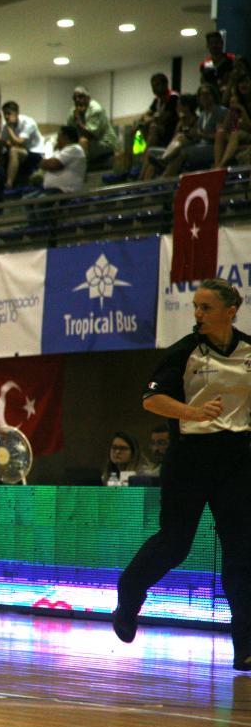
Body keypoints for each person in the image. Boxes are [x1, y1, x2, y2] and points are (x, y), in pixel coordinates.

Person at [113, 279, 251, 672]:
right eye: (195, 307)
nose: (198, 315)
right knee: (175, 544)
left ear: (230, 310)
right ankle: (129, 596)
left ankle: (245, 646)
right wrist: (192, 412)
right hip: (191, 457)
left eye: (206, 308)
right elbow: (151, 398)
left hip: (237, 459)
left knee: (242, 553)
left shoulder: (248, 351)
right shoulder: (184, 352)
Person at [68, 86, 118, 167]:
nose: (77, 100)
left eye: (80, 96)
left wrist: (78, 120)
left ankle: (82, 169)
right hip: (91, 143)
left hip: (105, 143)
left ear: (88, 98)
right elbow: (68, 132)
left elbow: (90, 135)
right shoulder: (73, 111)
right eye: (74, 98)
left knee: (83, 141)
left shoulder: (95, 109)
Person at [0, 100, 44, 188]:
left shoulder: (28, 122)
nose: (6, 117)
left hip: (35, 152)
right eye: (4, 114)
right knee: (3, 153)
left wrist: (10, 129)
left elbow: (18, 141)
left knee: (13, 150)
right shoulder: (7, 125)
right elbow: (2, 142)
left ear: (16, 113)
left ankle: (9, 183)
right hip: (23, 151)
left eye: (9, 113)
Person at [138, 73, 179, 149]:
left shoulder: (173, 97)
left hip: (171, 129)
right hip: (160, 129)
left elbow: (163, 117)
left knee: (153, 127)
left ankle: (146, 153)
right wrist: (143, 121)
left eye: (157, 85)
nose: (154, 88)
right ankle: (139, 152)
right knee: (139, 129)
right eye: (152, 86)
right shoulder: (157, 100)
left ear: (165, 84)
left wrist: (148, 120)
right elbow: (146, 114)